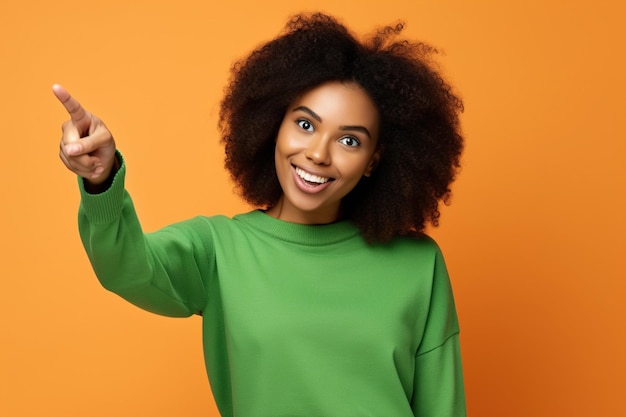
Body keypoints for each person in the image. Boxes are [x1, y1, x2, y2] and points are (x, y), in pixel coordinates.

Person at [54, 12, 466, 417]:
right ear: (275, 124)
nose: (318, 154)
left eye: (348, 140)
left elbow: (442, 406)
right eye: (305, 125)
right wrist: (101, 181)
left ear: (374, 161)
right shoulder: (219, 250)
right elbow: (125, 268)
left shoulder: (418, 265)